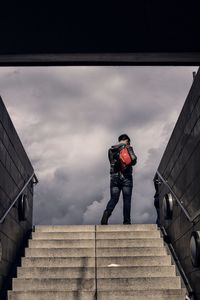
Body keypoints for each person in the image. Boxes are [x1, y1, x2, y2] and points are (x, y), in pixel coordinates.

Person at [101, 134, 137, 225]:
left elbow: (111, 163)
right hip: (126, 177)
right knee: (127, 200)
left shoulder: (111, 150)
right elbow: (133, 160)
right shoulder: (128, 147)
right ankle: (127, 222)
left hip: (114, 177)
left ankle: (106, 214)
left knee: (114, 198)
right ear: (127, 141)